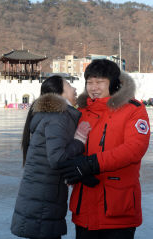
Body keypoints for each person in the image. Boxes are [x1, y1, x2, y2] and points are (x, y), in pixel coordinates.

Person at [59, 59, 151, 239]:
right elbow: (65, 145)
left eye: (100, 82)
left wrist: (91, 163)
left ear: (113, 83)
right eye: (90, 82)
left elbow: (134, 149)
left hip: (117, 208)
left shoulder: (133, 110)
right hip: (84, 207)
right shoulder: (82, 111)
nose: (94, 88)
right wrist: (75, 168)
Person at [11, 75, 98, 239]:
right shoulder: (56, 117)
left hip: (41, 198)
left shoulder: (51, 114)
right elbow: (57, 158)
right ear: (60, 93)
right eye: (69, 85)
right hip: (42, 204)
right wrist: (79, 140)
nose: (74, 89)